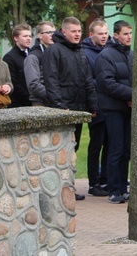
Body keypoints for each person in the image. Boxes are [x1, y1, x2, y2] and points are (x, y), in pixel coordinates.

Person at [42, 17, 98, 200]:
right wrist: (61, 107)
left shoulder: (80, 52)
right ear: (63, 32)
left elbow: (87, 80)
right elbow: (51, 81)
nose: (77, 34)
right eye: (73, 31)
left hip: (79, 108)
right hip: (64, 109)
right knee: (61, 151)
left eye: (79, 31)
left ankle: (69, 187)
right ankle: (60, 189)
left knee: (73, 149)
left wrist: (92, 105)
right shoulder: (54, 51)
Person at [95, 20, 134, 204]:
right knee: (115, 148)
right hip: (113, 108)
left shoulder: (131, 55)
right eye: (125, 34)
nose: (129, 37)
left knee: (126, 150)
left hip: (129, 108)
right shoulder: (106, 55)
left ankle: (122, 187)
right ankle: (113, 189)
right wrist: (131, 94)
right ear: (116, 35)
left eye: (130, 33)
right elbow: (107, 83)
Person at [82, 19, 111, 197]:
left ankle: (106, 178)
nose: (104, 36)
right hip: (96, 103)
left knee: (109, 142)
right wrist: (104, 82)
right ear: (91, 34)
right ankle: (93, 182)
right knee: (96, 143)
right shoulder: (85, 54)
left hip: (110, 104)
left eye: (106, 33)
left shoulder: (109, 50)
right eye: (100, 33)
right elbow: (87, 79)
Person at [24, 21, 56, 106]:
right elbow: (33, 85)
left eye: (54, 32)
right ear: (40, 35)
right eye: (49, 32)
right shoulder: (33, 56)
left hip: (56, 101)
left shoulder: (56, 53)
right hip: (41, 103)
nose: (52, 35)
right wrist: (53, 95)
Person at [3, 23, 33, 108]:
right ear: (16, 38)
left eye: (30, 36)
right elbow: (13, 82)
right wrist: (28, 97)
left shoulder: (33, 54)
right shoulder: (9, 57)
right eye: (25, 36)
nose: (28, 39)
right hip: (18, 104)